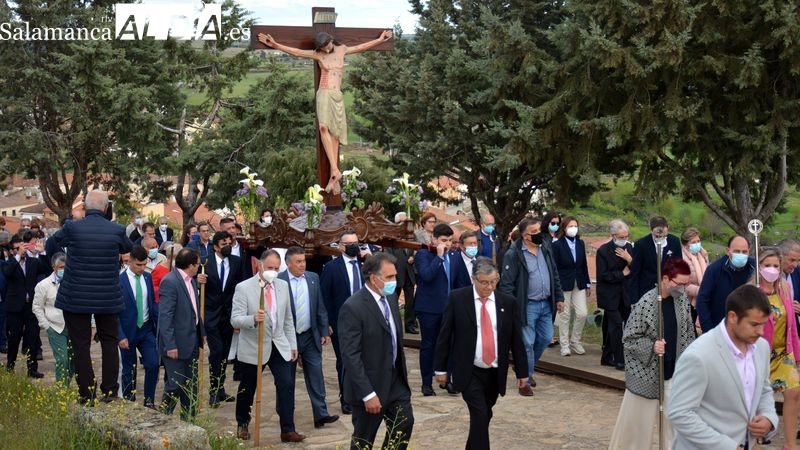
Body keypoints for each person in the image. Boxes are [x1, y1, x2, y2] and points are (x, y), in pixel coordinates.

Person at [258, 29, 393, 194]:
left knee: (335, 133)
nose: (326, 49)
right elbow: (297, 52)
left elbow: (361, 47)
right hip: (324, 93)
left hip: (337, 95)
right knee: (323, 127)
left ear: (331, 40)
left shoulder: (342, 49)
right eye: (322, 48)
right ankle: (335, 170)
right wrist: (275, 45)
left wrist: (380, 40)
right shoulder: (319, 55)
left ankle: (334, 174)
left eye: (327, 46)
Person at [668, 284, 778, 449]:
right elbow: (680, 413)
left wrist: (769, 418)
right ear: (733, 317)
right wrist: (726, 446)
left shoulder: (761, 347)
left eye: (763, 324)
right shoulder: (698, 356)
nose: (761, 332)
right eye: (755, 325)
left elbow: (763, 389)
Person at [434, 257, 528, 449]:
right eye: (484, 282)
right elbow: (444, 335)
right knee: (480, 413)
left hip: (494, 370)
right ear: (473, 279)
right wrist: (440, 369)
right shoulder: (457, 298)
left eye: (493, 282)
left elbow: (516, 340)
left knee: (485, 414)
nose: (489, 286)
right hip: (469, 369)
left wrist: (522, 371)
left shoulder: (507, 302)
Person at [50, 190, 133, 403]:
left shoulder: (72, 228)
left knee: (80, 344)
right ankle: (110, 391)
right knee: (109, 342)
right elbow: (128, 248)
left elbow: (52, 244)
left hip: (76, 296)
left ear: (85, 208)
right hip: (107, 296)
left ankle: (86, 393)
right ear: (106, 208)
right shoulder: (116, 229)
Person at [608, 257, 696, 449]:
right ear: (665, 278)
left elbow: (689, 334)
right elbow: (629, 339)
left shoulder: (681, 302)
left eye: (685, 284)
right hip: (646, 376)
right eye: (679, 284)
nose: (683, 289)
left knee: (676, 427)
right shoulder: (646, 303)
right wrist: (651, 346)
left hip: (675, 373)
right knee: (637, 430)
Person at [338, 252, 414, 450]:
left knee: (403, 424)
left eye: (395, 276)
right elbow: (350, 355)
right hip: (369, 386)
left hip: (395, 382)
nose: (394, 281)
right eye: (389, 277)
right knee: (364, 441)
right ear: (373, 278)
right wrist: (367, 393)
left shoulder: (390, 300)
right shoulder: (353, 307)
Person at [231, 250, 305, 443]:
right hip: (254, 345)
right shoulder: (244, 288)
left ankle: (288, 429)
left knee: (286, 384)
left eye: (276, 268)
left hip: (279, 343)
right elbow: (235, 319)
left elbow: (288, 318)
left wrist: (292, 344)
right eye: (269, 267)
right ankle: (242, 423)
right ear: (259, 265)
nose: (272, 271)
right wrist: (253, 319)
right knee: (248, 386)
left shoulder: (282, 285)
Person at [499, 217, 564, 395]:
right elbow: (506, 285)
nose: (538, 235)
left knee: (545, 338)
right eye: (534, 232)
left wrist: (559, 297)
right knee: (526, 343)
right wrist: (511, 308)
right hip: (526, 305)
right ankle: (524, 380)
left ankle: (523, 366)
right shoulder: (514, 254)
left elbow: (554, 274)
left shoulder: (546, 248)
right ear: (525, 235)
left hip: (546, 304)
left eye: (539, 231)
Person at [279, 246, 339, 429]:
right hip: (288, 339)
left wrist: (323, 331)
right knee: (286, 380)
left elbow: (319, 306)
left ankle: (321, 414)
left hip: (310, 336)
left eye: (304, 260)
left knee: (316, 376)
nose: (302, 264)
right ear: (288, 263)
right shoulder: (280, 281)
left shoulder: (313, 278)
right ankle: (285, 416)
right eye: (298, 262)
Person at [749, 248, 800, 450]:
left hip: (782, 352)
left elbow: (792, 325)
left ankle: (789, 443)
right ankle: (753, 442)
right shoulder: (751, 291)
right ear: (759, 267)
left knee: (794, 391)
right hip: (758, 353)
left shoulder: (785, 288)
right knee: (754, 398)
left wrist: (797, 352)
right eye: (767, 265)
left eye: (776, 266)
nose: (772, 269)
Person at [320, 229, 369, 414]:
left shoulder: (365, 265)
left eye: (356, 242)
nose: (354, 246)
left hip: (365, 321)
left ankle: (364, 394)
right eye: (349, 244)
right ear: (341, 247)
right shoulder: (332, 268)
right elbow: (324, 298)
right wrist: (326, 324)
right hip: (341, 323)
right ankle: (346, 398)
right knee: (345, 361)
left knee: (365, 359)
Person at [158, 248, 205, 420]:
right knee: (176, 384)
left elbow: (194, 309)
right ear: (191, 265)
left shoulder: (191, 281)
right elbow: (165, 316)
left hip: (192, 340)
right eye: (198, 264)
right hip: (175, 344)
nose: (199, 267)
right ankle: (163, 416)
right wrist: (170, 344)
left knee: (191, 385)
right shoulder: (170, 281)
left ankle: (189, 421)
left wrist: (202, 331)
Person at [414, 223, 455, 396]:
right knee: (429, 346)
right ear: (434, 239)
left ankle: (447, 380)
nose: (447, 244)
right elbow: (426, 276)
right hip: (429, 309)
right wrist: (438, 257)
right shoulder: (423, 255)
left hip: (449, 308)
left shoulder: (453, 255)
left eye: (450, 241)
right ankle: (426, 383)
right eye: (444, 240)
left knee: (448, 345)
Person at [204, 231, 242, 407]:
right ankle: (213, 390)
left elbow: (240, 287)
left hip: (228, 316)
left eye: (229, 242)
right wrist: (198, 280)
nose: (227, 245)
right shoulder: (205, 262)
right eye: (223, 243)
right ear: (215, 247)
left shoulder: (236, 262)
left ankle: (220, 390)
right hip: (211, 315)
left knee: (225, 355)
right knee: (216, 352)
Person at [118, 246, 159, 408]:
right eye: (139, 265)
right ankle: (129, 402)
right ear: (130, 262)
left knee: (153, 364)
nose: (142, 268)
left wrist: (159, 328)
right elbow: (114, 312)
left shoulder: (148, 278)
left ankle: (149, 400)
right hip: (128, 332)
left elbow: (152, 305)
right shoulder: (119, 281)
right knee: (129, 370)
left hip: (146, 330)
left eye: (145, 265)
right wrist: (120, 335)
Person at [4, 233, 48, 378]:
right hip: (15, 307)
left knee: (32, 338)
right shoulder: (9, 262)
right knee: (14, 338)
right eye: (17, 249)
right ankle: (10, 365)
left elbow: (46, 269)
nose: (20, 251)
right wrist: (18, 257)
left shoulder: (32, 261)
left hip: (31, 307)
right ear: (12, 251)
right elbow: (7, 273)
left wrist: (42, 253)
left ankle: (32, 368)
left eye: (21, 248)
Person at [696, 235, 755, 333]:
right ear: (728, 251)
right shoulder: (714, 270)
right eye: (737, 251)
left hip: (747, 330)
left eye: (744, 252)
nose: (741, 255)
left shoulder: (754, 268)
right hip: (720, 329)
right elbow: (702, 301)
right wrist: (709, 331)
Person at [596, 219, 633, 370]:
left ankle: (606, 357)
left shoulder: (630, 248)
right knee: (617, 325)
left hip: (624, 295)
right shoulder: (603, 251)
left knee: (616, 326)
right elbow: (603, 275)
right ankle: (619, 360)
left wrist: (629, 260)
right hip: (609, 295)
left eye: (626, 236)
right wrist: (622, 273)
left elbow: (636, 269)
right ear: (613, 236)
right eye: (622, 237)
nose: (625, 240)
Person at [552, 216, 591, 357]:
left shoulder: (580, 243)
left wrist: (587, 283)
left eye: (575, 226)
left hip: (579, 282)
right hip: (563, 283)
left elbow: (583, 264)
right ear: (564, 228)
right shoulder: (557, 245)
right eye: (570, 226)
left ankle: (575, 340)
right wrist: (556, 287)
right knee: (565, 315)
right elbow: (554, 267)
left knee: (582, 313)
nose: (573, 228)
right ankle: (564, 345)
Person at [32, 252, 72, 385]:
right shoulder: (44, 285)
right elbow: (37, 307)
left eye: (65, 267)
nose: (63, 270)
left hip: (72, 325)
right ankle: (62, 389)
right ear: (53, 267)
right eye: (60, 267)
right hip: (55, 326)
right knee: (62, 359)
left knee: (73, 360)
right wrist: (46, 325)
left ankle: (67, 382)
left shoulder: (73, 282)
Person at [627, 216, 682, 304]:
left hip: (669, 292)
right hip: (647, 292)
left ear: (667, 228)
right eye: (657, 235)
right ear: (651, 229)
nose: (660, 237)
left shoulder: (674, 241)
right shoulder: (641, 245)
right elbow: (635, 273)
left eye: (663, 235)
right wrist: (634, 301)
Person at [388, 212, 418, 335]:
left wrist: (413, 257)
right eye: (402, 222)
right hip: (396, 273)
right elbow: (389, 254)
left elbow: (416, 249)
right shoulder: (391, 236)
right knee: (393, 301)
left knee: (410, 302)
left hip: (409, 272)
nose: (405, 225)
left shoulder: (412, 235)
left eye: (406, 222)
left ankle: (410, 325)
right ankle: (393, 325)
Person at [680, 227, 708, 331]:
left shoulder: (702, 255)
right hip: (688, 301)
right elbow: (683, 285)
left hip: (702, 299)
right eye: (693, 242)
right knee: (689, 329)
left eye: (698, 241)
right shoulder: (682, 258)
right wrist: (700, 291)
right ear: (686, 244)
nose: (697, 244)